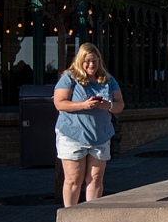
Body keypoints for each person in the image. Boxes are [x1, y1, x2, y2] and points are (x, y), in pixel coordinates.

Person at [53, 43, 124, 208]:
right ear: (79, 61)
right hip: (73, 135)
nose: (91, 65)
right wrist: (84, 105)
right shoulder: (70, 78)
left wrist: (109, 105)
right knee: (74, 178)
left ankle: (92, 218)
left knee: (95, 178)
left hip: (100, 136)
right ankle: (70, 219)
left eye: (95, 61)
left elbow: (120, 105)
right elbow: (59, 103)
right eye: (87, 61)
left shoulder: (107, 79)